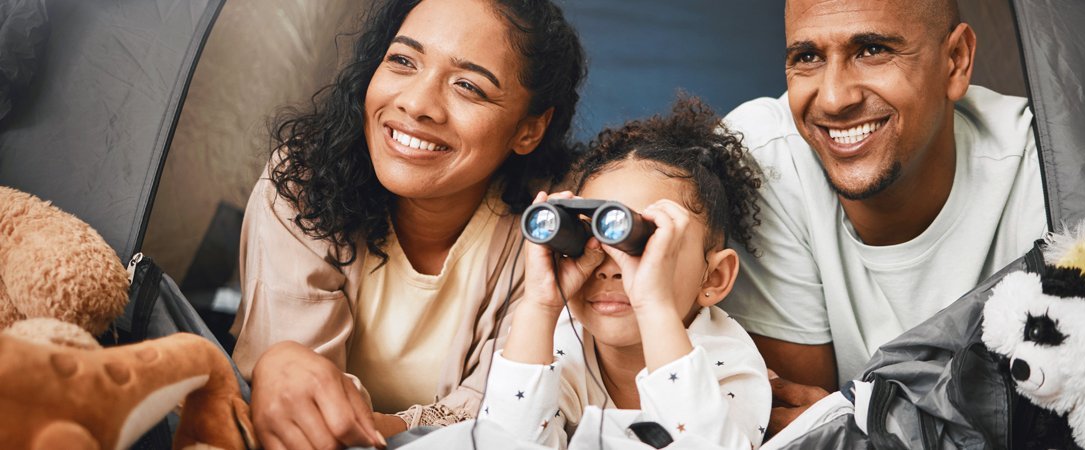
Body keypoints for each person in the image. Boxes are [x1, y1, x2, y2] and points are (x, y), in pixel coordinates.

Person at [229, 0, 586, 448]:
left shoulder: (555, 229)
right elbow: (293, 390)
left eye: (468, 87)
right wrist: (286, 371)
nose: (416, 103)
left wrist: (384, 429)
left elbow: (509, 414)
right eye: (402, 60)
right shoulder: (305, 181)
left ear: (528, 130)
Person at [718, 0, 1048, 433]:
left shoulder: (1049, 170)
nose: (834, 99)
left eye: (872, 50)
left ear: (955, 61)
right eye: (808, 57)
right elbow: (799, 429)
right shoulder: (763, 160)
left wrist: (867, 429)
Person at [477, 98, 770, 449]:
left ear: (715, 277)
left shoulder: (728, 362)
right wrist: (539, 305)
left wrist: (653, 305)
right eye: (591, 237)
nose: (612, 270)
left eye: (646, 242)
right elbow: (502, 443)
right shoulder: (560, 342)